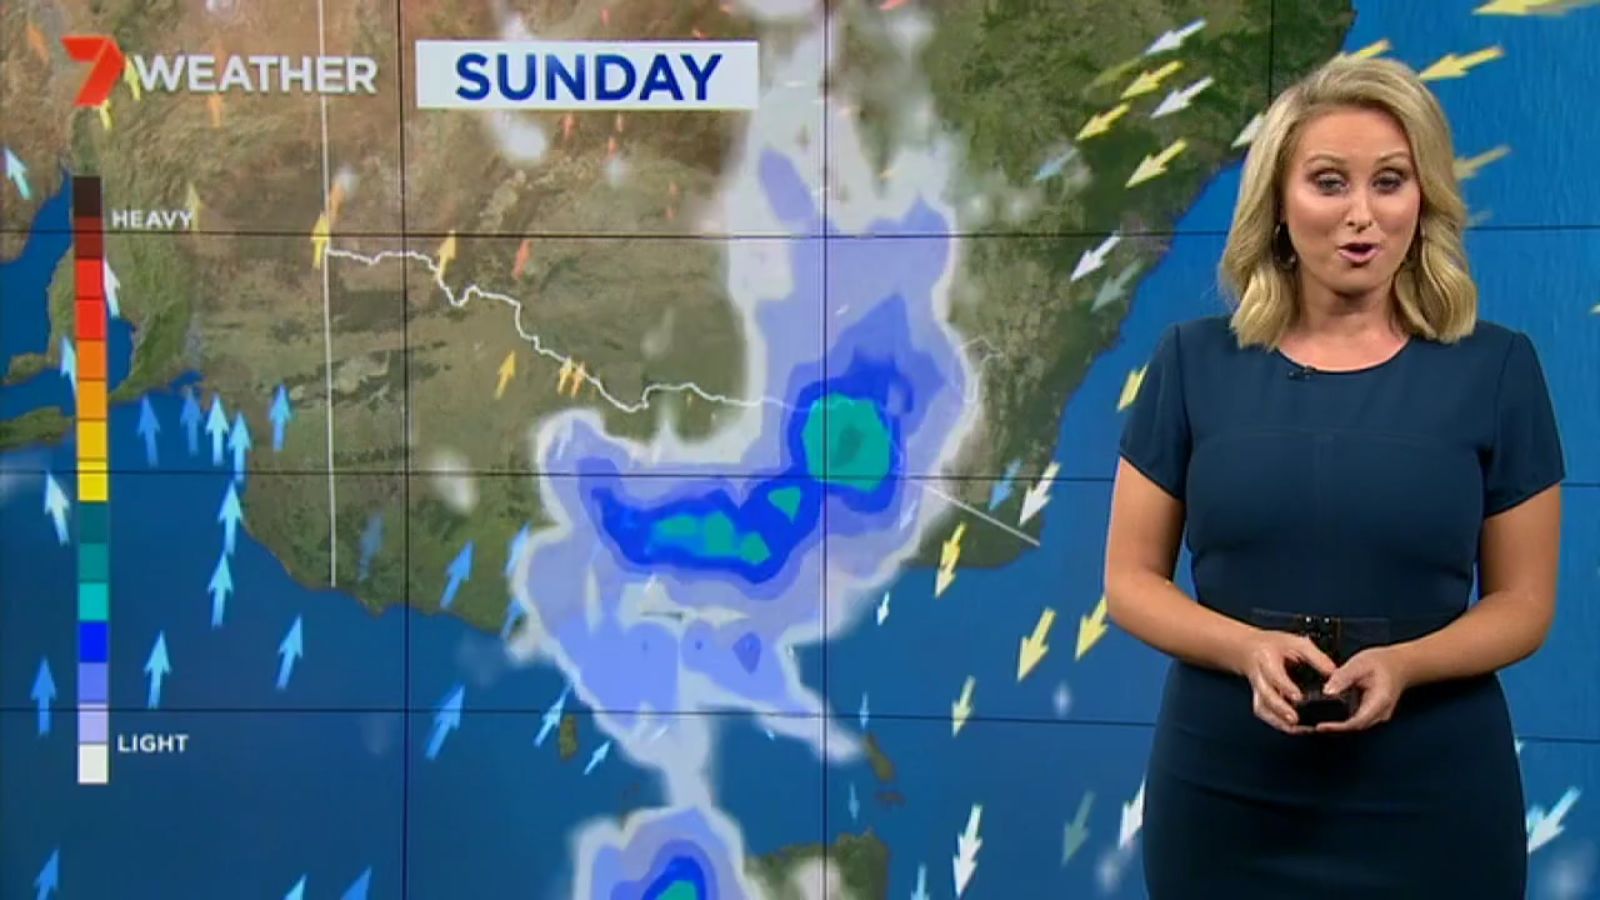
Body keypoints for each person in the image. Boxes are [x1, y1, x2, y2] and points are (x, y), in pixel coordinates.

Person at [1104, 54, 1565, 898]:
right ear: (1278, 204)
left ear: (1424, 199)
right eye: (1328, 183)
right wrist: (1246, 650)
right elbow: (1131, 582)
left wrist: (1406, 665)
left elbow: (1524, 606)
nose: (1362, 215)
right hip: (1223, 790)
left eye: (1390, 182)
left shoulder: (1498, 369)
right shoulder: (1191, 364)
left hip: (1434, 792)